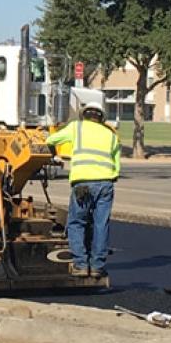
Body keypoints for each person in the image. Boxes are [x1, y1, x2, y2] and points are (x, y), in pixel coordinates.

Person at [45, 100, 120, 279]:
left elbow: (50, 140)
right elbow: (116, 164)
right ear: (101, 118)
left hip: (83, 184)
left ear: (84, 115)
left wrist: (54, 152)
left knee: (77, 223)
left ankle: (80, 264)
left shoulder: (76, 128)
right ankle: (97, 266)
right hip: (106, 183)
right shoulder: (111, 134)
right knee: (101, 224)